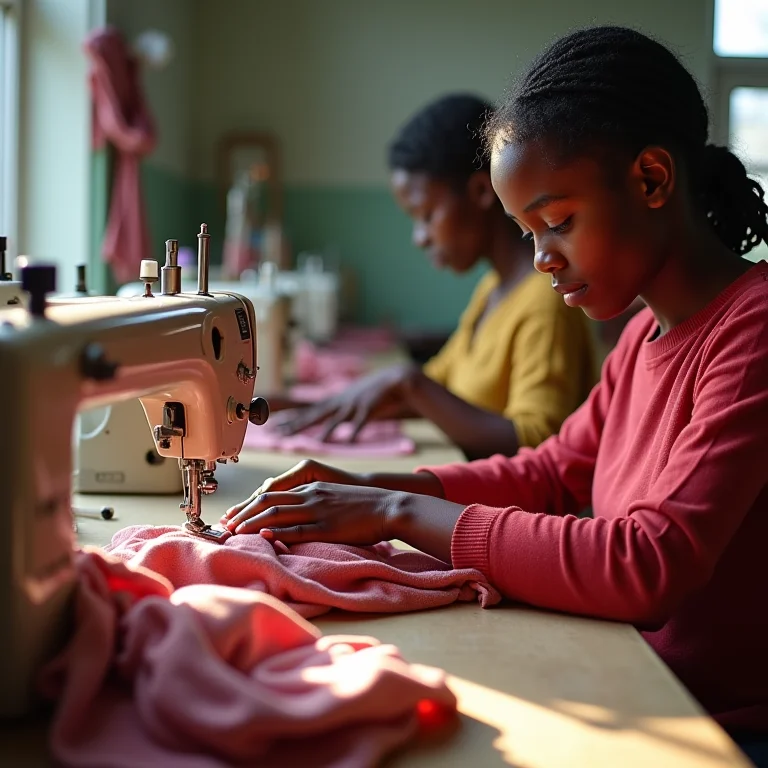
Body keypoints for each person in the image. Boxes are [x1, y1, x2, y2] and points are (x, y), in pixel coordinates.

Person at [223, 26, 768, 761]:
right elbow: (552, 472)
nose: (541, 258)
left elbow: (649, 564)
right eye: (527, 231)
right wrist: (369, 487)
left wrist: (394, 511)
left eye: (558, 222)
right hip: (637, 677)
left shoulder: (752, 330)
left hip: (721, 728)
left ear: (650, 179)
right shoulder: (644, 336)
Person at [272, 94, 596, 460]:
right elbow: (438, 385)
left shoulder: (544, 303)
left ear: (480, 191)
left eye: (426, 215)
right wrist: (308, 405)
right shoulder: (494, 288)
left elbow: (539, 441)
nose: (420, 238)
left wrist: (409, 382)